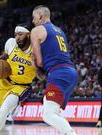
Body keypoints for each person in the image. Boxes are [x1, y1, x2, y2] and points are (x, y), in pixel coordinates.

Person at [0, 24, 36, 135]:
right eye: (16, 34)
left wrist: (37, 65)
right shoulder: (11, 42)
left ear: (28, 35)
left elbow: (42, 74)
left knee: (5, 108)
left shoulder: (36, 49)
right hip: (4, 82)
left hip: (21, 86)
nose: (17, 37)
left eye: (20, 34)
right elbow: (5, 56)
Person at [31, 5, 78, 135]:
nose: (33, 21)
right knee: (55, 113)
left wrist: (33, 63)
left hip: (59, 73)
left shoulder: (36, 31)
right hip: (70, 72)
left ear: (40, 15)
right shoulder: (60, 31)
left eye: (34, 17)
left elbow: (39, 62)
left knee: (48, 115)